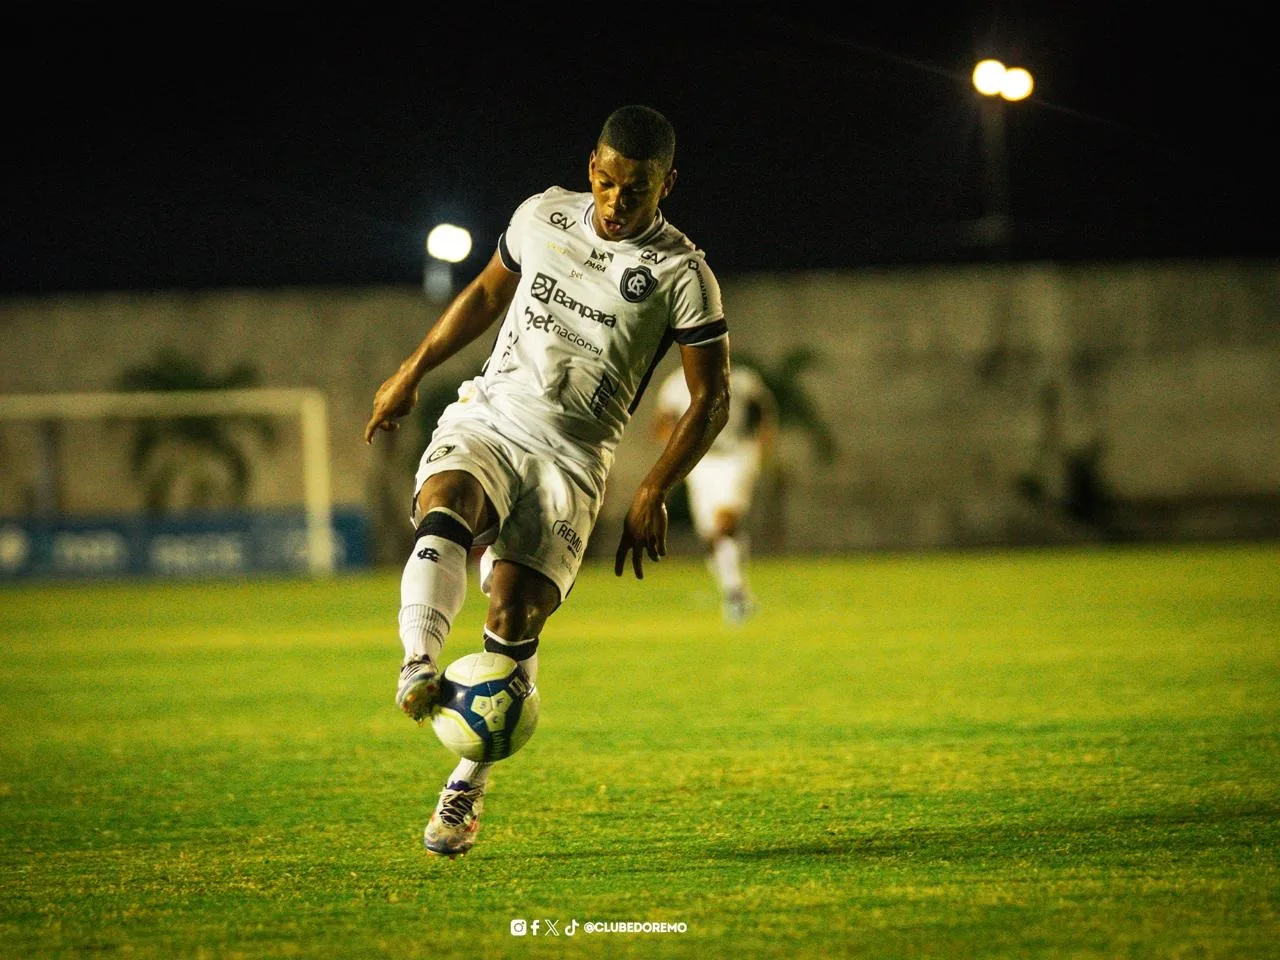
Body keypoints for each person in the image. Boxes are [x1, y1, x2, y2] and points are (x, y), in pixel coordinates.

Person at [363, 105, 730, 858]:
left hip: (573, 458)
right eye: (604, 182)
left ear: (668, 185)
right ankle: (418, 664)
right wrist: (412, 369)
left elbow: (711, 397)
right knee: (448, 506)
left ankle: (467, 783)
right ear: (590, 164)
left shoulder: (683, 275)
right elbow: (486, 295)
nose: (616, 203)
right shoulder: (542, 215)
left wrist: (656, 486)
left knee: (515, 613)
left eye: (636, 190)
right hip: (492, 418)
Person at [652, 362, 776, 623]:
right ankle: (737, 590)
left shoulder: (742, 379)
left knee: (724, 522)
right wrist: (675, 454)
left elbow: (763, 409)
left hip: (735, 456)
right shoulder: (675, 383)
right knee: (711, 535)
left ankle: (735, 598)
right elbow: (662, 421)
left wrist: (761, 444)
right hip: (700, 461)